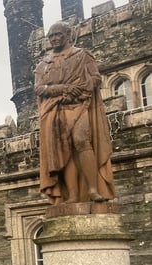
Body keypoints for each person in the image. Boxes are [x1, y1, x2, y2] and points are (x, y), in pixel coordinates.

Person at [34, 21, 115, 205]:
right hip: (54, 109)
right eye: (51, 36)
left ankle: (93, 190)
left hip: (80, 105)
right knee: (65, 150)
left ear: (67, 34)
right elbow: (39, 89)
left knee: (82, 141)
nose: (55, 38)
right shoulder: (43, 65)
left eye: (58, 34)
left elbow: (95, 78)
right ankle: (72, 195)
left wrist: (79, 90)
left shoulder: (82, 55)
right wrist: (64, 88)